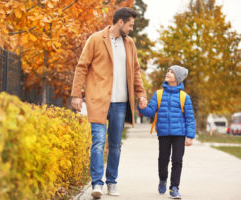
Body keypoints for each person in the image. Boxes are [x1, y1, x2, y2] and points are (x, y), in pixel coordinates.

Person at [71, 7, 147, 198]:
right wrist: (76, 94)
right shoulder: (96, 39)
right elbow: (82, 67)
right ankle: (97, 183)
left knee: (115, 145)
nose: (131, 29)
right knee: (98, 142)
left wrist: (141, 94)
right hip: (98, 100)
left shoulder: (130, 44)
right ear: (120, 22)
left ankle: (112, 182)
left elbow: (136, 72)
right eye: (130, 25)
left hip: (121, 103)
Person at [138, 65, 195, 199]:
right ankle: (163, 178)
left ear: (178, 78)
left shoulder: (184, 97)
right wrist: (142, 107)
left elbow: (190, 118)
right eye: (168, 71)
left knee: (177, 160)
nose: (168, 73)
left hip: (179, 134)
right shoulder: (159, 94)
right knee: (163, 160)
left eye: (172, 72)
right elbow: (150, 111)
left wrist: (190, 136)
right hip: (163, 133)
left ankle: (174, 187)